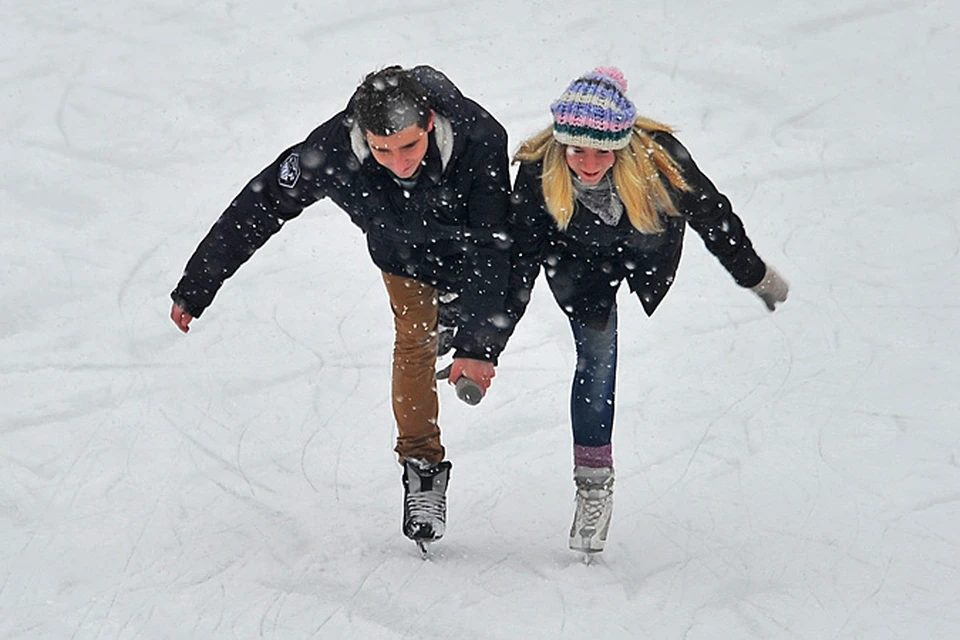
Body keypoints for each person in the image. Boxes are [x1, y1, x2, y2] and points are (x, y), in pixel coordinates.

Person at [169, 65, 514, 551]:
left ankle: (456, 322)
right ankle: (422, 469)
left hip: (466, 241)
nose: (397, 162)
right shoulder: (332, 151)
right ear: (363, 135)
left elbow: (493, 248)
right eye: (382, 149)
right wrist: (198, 283)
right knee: (414, 336)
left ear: (430, 123)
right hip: (400, 253)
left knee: (495, 298)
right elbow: (263, 203)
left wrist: (481, 348)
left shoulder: (480, 138)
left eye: (409, 146)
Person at [507, 67, 789, 555]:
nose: (588, 163)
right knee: (596, 360)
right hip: (579, 267)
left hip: (643, 249)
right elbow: (517, 260)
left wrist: (753, 273)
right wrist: (482, 342)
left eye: (602, 151)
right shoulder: (539, 169)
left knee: (599, 358)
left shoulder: (660, 161)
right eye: (577, 150)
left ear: (622, 144)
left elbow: (713, 217)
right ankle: (593, 486)